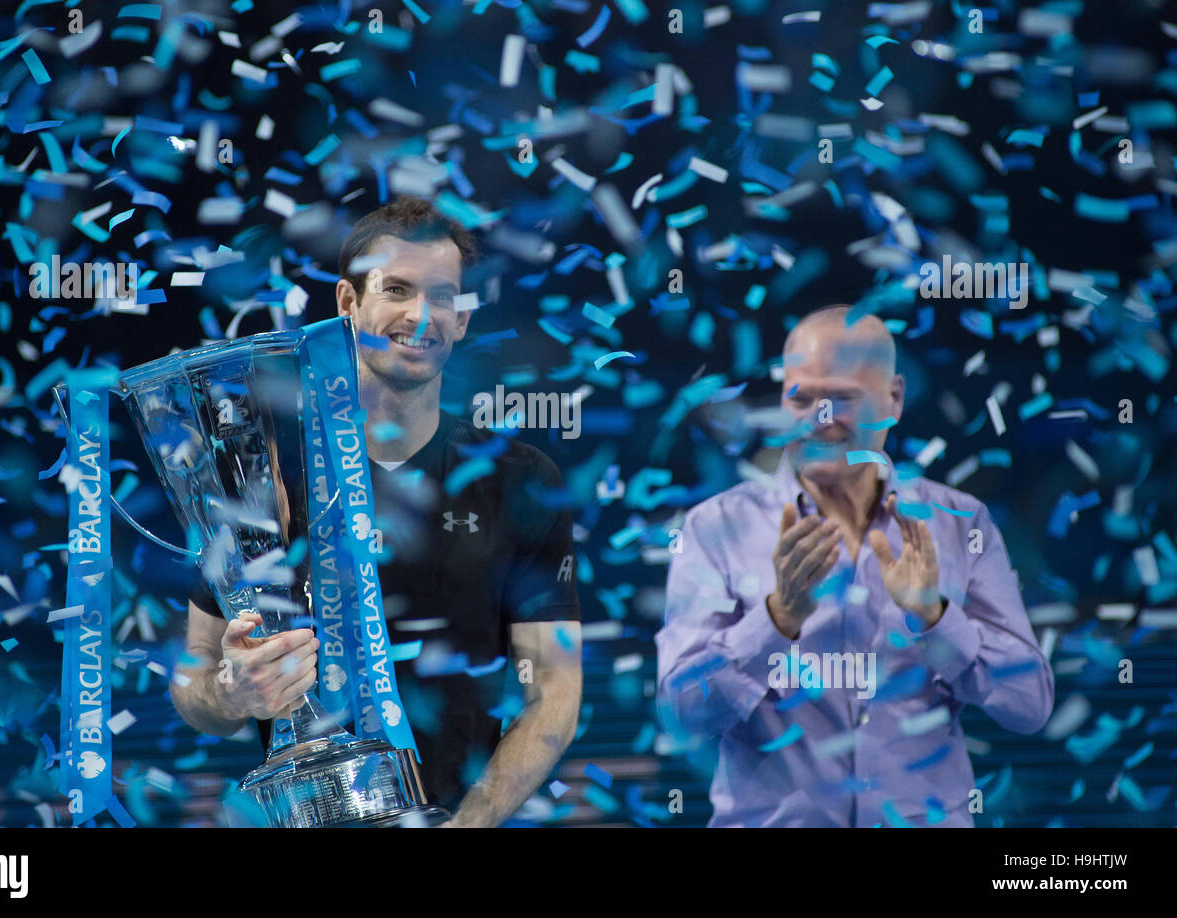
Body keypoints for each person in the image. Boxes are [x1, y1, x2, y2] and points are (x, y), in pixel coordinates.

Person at [170, 196, 583, 826]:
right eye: (397, 289)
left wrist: (467, 825)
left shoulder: (519, 480)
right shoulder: (265, 475)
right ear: (346, 303)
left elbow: (553, 690)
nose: (422, 316)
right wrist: (232, 692)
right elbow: (192, 683)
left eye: (444, 296)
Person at [656, 305, 1053, 827]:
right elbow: (679, 718)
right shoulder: (715, 528)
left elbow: (1029, 706)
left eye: (840, 398)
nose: (821, 419)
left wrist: (936, 618)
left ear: (893, 399)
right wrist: (775, 621)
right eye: (801, 398)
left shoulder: (960, 523)